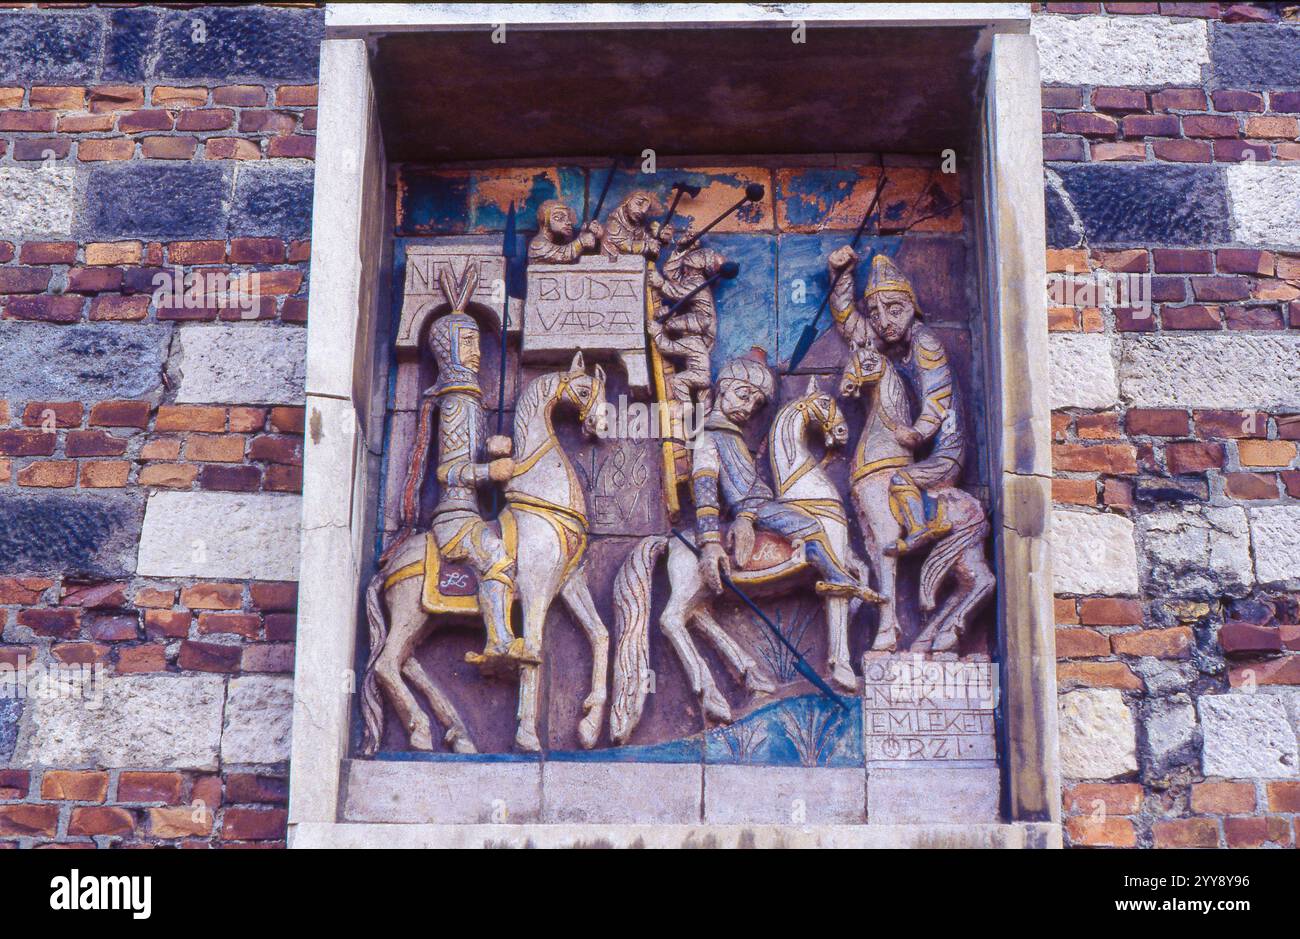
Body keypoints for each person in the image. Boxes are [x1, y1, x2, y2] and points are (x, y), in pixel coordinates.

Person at [401, 300, 530, 666]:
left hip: (470, 510)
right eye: (469, 343)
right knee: (496, 557)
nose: (477, 353)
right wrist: (490, 472)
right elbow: (448, 471)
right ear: (449, 347)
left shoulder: (470, 401)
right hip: (454, 515)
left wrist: (493, 448)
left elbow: (471, 454)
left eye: (477, 344)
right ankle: (499, 643)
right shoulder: (456, 403)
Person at [692, 353, 873, 600]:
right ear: (723, 388)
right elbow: (705, 487)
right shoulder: (709, 438)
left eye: (754, 404)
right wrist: (710, 541)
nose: (747, 408)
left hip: (755, 507)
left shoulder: (732, 436)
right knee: (809, 525)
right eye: (743, 396)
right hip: (754, 508)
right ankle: (834, 576)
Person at [828, 250, 965, 555]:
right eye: (875, 313)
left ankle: (919, 529)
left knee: (901, 479)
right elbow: (850, 324)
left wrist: (917, 433)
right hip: (923, 448)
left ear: (911, 307)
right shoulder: (892, 336)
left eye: (893, 308)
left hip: (945, 452)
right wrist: (842, 276)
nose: (884, 321)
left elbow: (937, 397)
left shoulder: (924, 341)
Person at [527, 199, 603, 264]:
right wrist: (581, 242)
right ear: (545, 220)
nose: (568, 222)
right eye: (559, 217)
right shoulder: (538, 244)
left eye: (568, 218)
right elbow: (563, 255)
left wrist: (584, 234)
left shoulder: (556, 242)